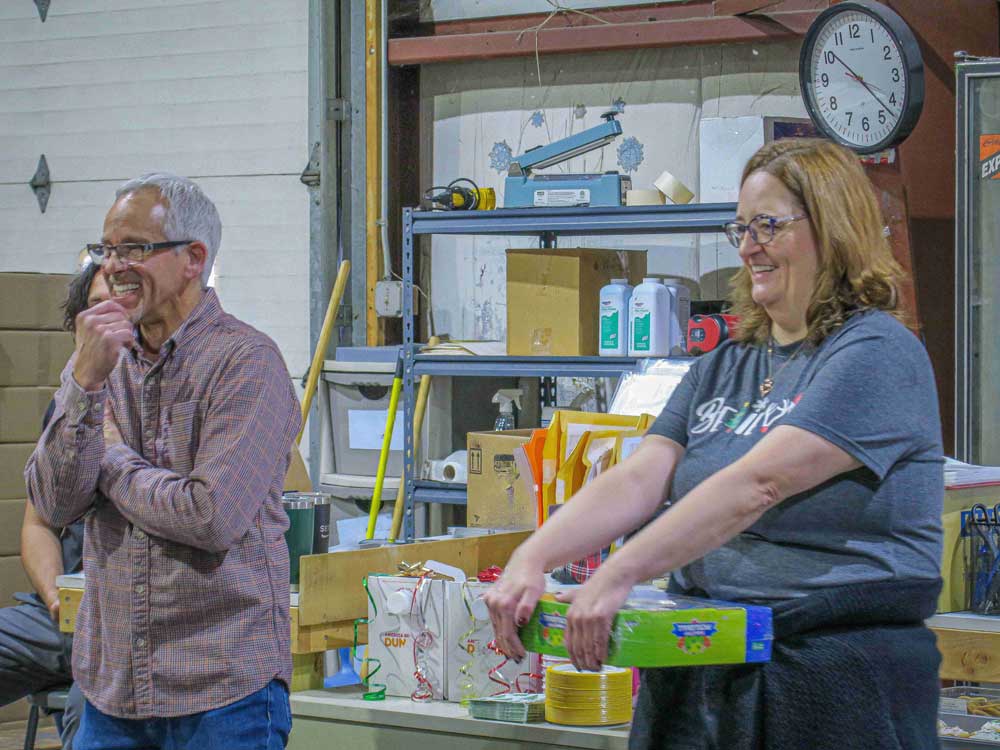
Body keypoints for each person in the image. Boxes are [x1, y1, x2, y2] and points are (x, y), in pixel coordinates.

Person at [485, 138, 943, 749]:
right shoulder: (725, 365)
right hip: (707, 660)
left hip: (831, 677)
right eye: (742, 228)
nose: (749, 247)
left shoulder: (876, 353)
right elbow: (640, 477)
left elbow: (759, 484)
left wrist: (620, 573)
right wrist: (532, 558)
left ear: (832, 229)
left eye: (769, 226)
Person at [25, 173, 301, 750]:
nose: (113, 266)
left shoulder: (247, 363)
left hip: (222, 692)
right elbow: (52, 502)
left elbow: (209, 516)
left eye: (133, 249)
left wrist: (111, 459)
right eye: (106, 249)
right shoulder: (99, 362)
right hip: (111, 691)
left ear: (193, 258)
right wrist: (83, 383)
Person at [0, 261, 108, 749]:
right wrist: (55, 599)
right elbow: (37, 524)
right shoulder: (67, 408)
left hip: (131, 624)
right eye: (96, 308)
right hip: (60, 615)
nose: (107, 321)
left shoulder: (180, 401)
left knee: (98, 714)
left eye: (121, 307)